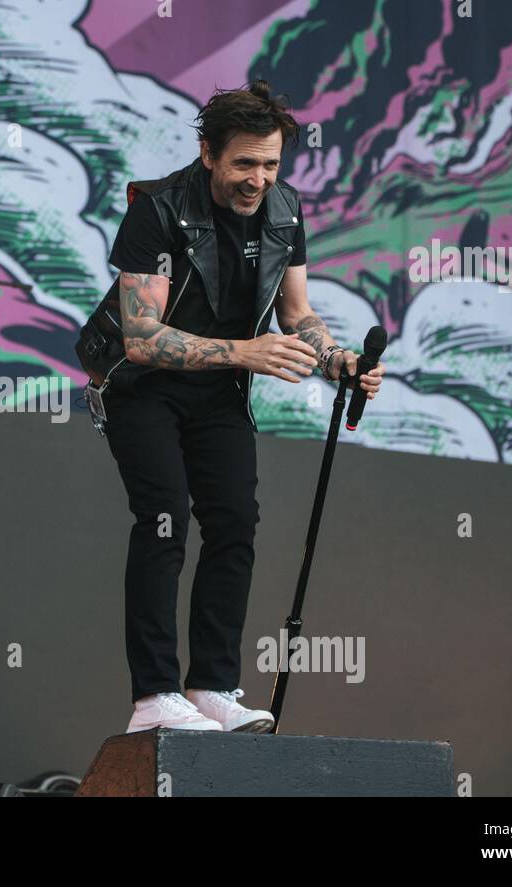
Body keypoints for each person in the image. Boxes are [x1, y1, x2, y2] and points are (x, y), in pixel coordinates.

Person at [81, 81, 386, 733]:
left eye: (271, 164)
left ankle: (212, 684)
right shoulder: (158, 211)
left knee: (235, 522)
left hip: (218, 391)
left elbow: (297, 313)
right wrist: (245, 352)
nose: (259, 179)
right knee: (164, 515)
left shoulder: (284, 211)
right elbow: (142, 336)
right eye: (245, 163)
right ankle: (154, 697)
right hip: (141, 384)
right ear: (209, 153)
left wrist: (340, 364)